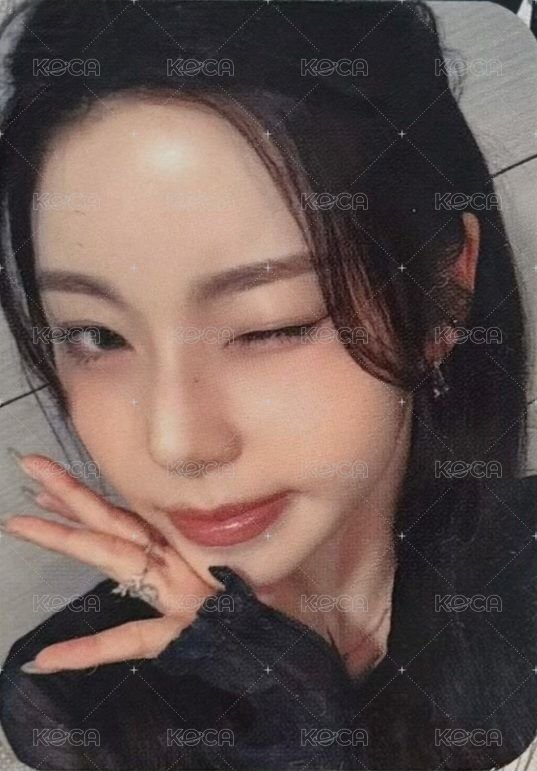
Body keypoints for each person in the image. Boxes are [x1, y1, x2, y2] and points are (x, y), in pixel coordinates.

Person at [0, 1, 535, 768]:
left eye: (269, 326)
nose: (176, 441)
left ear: (441, 299)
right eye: (99, 335)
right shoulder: (79, 696)